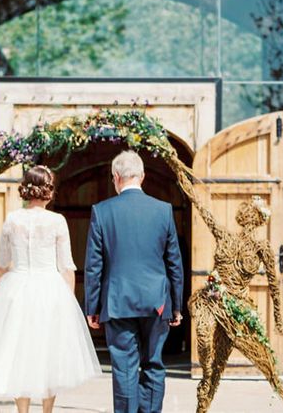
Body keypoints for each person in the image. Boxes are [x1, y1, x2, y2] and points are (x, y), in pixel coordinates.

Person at [0, 165, 101, 413]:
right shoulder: (57, 221)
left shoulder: (13, 219)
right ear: (48, 190)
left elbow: (1, 263)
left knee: (19, 355)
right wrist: (67, 301)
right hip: (49, 289)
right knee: (49, 354)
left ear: (26, 189)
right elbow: (66, 266)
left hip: (18, 290)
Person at [84, 150, 185, 413]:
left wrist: (92, 307)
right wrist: (176, 306)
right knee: (153, 364)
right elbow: (174, 262)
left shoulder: (102, 211)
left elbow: (94, 266)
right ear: (142, 176)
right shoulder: (163, 211)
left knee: (124, 368)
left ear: (116, 177)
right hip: (156, 303)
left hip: (117, 302)